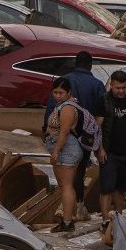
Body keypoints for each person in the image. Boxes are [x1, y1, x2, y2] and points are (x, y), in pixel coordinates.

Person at [43, 51, 106, 220]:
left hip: (61, 139)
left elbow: (51, 111)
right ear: (90, 65)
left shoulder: (63, 84)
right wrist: (98, 143)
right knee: (75, 174)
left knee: (66, 181)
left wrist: (47, 133)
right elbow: (102, 114)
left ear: (75, 64)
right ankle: (76, 209)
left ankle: (69, 214)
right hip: (84, 137)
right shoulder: (97, 84)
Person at [95, 70, 126, 232]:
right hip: (110, 153)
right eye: (117, 88)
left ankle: (118, 218)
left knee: (121, 189)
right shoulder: (104, 100)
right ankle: (105, 221)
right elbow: (97, 127)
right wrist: (100, 149)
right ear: (111, 85)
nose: (121, 91)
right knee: (106, 188)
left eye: (123, 87)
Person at [44, 77, 84, 232]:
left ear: (69, 93)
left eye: (61, 92)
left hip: (66, 149)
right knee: (64, 185)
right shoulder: (61, 106)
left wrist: (55, 151)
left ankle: (67, 222)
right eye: (55, 92)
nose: (58, 95)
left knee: (66, 185)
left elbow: (65, 132)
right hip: (63, 148)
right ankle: (69, 217)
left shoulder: (67, 108)